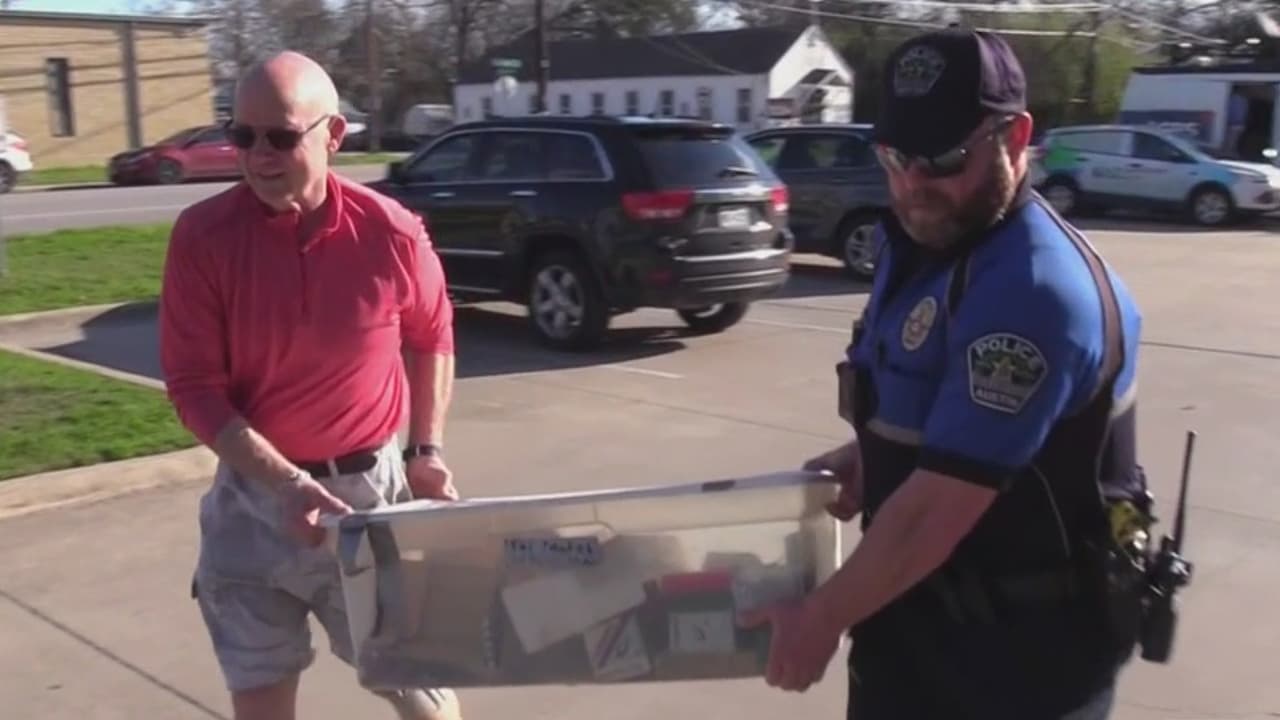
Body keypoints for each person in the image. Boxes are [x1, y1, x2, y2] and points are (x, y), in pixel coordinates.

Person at [740, 28, 1149, 720]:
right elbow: (940, 402)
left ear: (1016, 138)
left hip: (1016, 668)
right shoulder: (929, 243)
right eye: (895, 157)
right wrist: (872, 457)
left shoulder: (1032, 291)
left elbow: (935, 510)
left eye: (943, 158)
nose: (913, 184)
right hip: (916, 629)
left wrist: (821, 616)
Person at [159, 51, 463, 720]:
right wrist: (286, 483)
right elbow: (193, 386)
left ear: (334, 135)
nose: (258, 156)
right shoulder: (203, 238)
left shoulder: (391, 233)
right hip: (252, 503)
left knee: (425, 695)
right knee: (261, 700)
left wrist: (426, 452)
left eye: (281, 136)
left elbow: (431, 335)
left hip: (368, 501)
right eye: (243, 135)